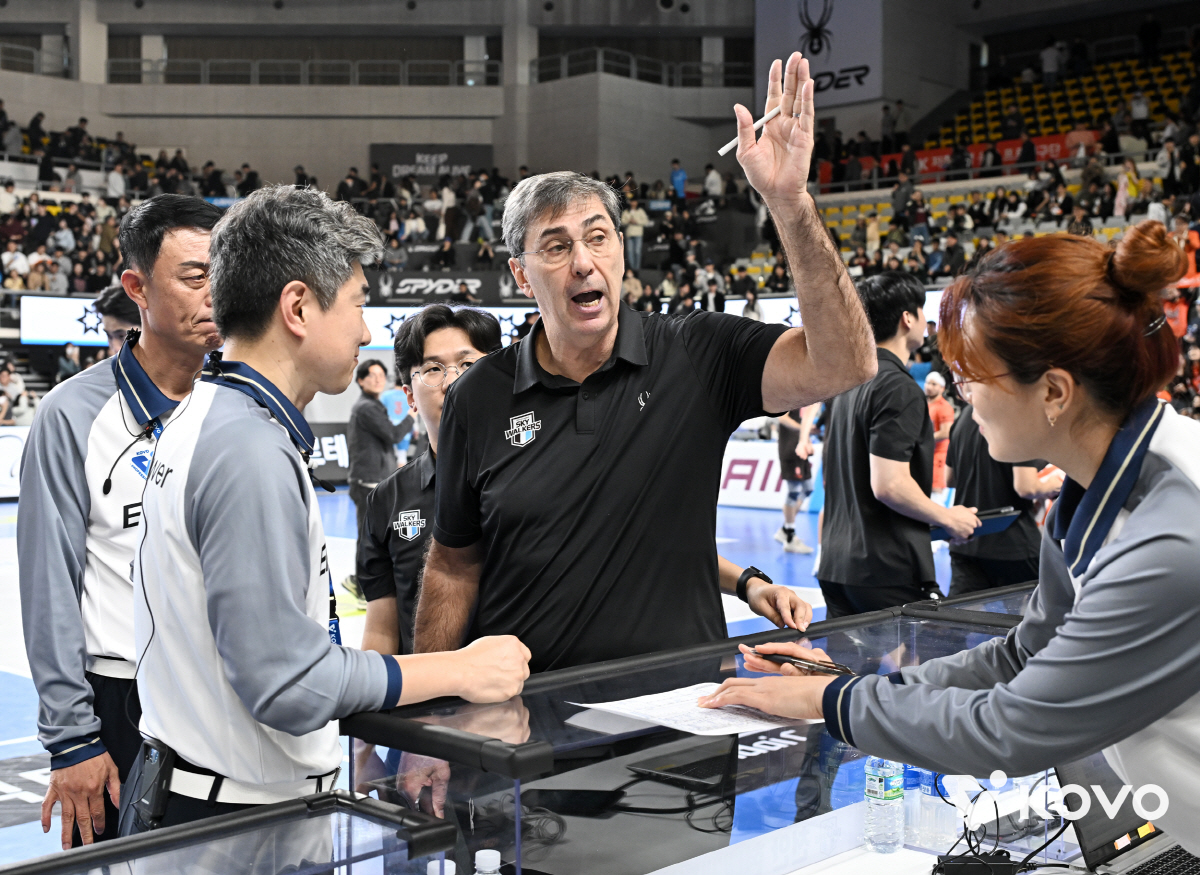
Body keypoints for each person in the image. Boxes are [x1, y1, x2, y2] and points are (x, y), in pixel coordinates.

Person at [699, 221, 1200, 855]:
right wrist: (856, 684)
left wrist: (834, 700)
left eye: (971, 378)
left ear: (1053, 391)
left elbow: (1011, 728)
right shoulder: (1094, 492)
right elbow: (1021, 658)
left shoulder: (1170, 535)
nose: (960, 397)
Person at [414, 53, 876, 671]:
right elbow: (452, 562)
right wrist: (430, 717)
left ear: (621, 253)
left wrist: (790, 202)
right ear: (521, 276)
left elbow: (846, 364)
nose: (584, 261)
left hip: (685, 725)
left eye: (598, 236)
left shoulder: (698, 351)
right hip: (532, 730)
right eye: (556, 247)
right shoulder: (479, 396)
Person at [124, 185, 530, 834]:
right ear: (298, 307)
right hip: (235, 820)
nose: (366, 330)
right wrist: (456, 667)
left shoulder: (203, 417)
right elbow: (286, 684)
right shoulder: (247, 448)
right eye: (357, 303)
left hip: (199, 793)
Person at [19, 195, 223, 850]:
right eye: (196, 276)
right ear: (136, 287)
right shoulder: (72, 415)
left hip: (232, 693)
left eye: (225, 271)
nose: (216, 293)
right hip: (120, 704)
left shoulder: (246, 404)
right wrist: (73, 738)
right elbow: (48, 590)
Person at [816, 272, 980, 617]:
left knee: (857, 668)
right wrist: (948, 518)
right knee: (915, 665)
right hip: (885, 567)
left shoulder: (848, 385)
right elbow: (889, 484)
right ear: (908, 318)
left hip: (837, 562)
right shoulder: (897, 387)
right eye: (922, 311)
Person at [358, 306, 503, 658]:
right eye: (434, 369)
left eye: (469, 365)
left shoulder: (538, 476)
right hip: (431, 702)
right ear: (409, 396)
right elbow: (381, 629)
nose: (454, 381)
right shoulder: (386, 500)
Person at [945, 405, 1062, 596]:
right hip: (1014, 544)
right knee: (1026, 619)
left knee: (963, 620)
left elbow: (949, 479)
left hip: (967, 540)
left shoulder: (965, 416)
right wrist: (1055, 485)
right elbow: (1027, 487)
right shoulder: (1019, 415)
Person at [348, 359, 414, 546]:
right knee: (368, 537)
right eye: (372, 375)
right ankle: (362, 576)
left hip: (376, 479)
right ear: (360, 380)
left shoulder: (374, 405)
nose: (378, 380)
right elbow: (394, 434)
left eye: (382, 376)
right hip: (369, 481)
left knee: (376, 536)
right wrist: (412, 415)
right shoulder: (366, 408)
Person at [776, 406, 817, 554]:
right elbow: (782, 418)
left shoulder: (808, 400)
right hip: (790, 449)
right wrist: (803, 429)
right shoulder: (792, 398)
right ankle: (790, 538)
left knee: (808, 489)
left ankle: (785, 529)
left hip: (802, 450)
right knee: (793, 492)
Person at [925, 371, 955, 498]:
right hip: (927, 453)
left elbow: (946, 432)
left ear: (942, 388)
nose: (929, 386)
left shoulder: (944, 407)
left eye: (934, 384)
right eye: (927, 383)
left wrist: (923, 439)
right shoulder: (925, 403)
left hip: (939, 456)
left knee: (936, 492)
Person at [620, 197, 649, 271]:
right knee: (630, 252)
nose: (633, 203)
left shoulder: (640, 211)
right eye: (632, 201)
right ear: (630, 202)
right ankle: (633, 269)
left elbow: (646, 221)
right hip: (629, 233)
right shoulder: (627, 211)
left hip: (638, 233)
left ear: (637, 202)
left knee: (637, 251)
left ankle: (637, 269)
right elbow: (622, 221)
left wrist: (636, 221)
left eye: (635, 201)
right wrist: (628, 221)